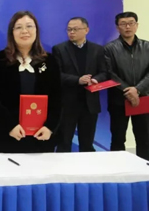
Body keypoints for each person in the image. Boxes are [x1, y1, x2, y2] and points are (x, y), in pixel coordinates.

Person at [0, 11, 61, 153]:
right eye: (19, 27)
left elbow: (58, 98)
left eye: (29, 26)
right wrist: (10, 125)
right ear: (11, 32)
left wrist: (49, 127)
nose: (24, 31)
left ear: (36, 30)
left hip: (40, 136)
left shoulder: (50, 61)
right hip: (4, 135)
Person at [53, 17, 107, 152]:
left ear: (86, 30)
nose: (71, 32)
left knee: (87, 144)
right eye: (69, 29)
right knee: (64, 143)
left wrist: (96, 80)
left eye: (75, 29)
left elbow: (105, 72)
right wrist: (78, 80)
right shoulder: (59, 49)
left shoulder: (97, 50)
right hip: (68, 104)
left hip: (90, 104)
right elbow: (56, 75)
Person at [105, 12, 149, 160]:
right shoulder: (109, 49)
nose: (127, 27)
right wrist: (128, 91)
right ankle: (118, 168)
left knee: (144, 137)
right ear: (117, 28)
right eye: (123, 24)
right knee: (118, 138)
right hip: (119, 100)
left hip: (143, 99)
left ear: (137, 25)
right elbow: (109, 73)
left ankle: (145, 168)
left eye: (131, 23)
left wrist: (138, 89)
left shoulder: (147, 46)